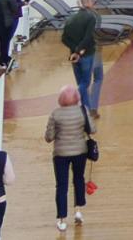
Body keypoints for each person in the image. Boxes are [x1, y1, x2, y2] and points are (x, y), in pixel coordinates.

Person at [43, 86, 91, 231]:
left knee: (61, 185)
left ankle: (62, 219)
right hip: (80, 152)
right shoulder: (83, 111)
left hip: (60, 154)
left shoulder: (55, 114)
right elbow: (92, 129)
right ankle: (78, 210)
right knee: (78, 179)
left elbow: (49, 137)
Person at [61, 0, 104, 118]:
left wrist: (74, 50)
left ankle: (85, 108)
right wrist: (80, 50)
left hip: (74, 55)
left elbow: (64, 38)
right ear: (89, 4)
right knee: (94, 79)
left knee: (81, 81)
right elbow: (88, 37)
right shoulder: (92, 17)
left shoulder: (71, 19)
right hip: (89, 53)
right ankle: (90, 108)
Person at [0, 0, 23, 70]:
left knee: (3, 41)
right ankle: (4, 60)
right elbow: (14, 6)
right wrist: (22, 4)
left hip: (3, 20)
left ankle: (3, 60)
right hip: (9, 20)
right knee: (6, 40)